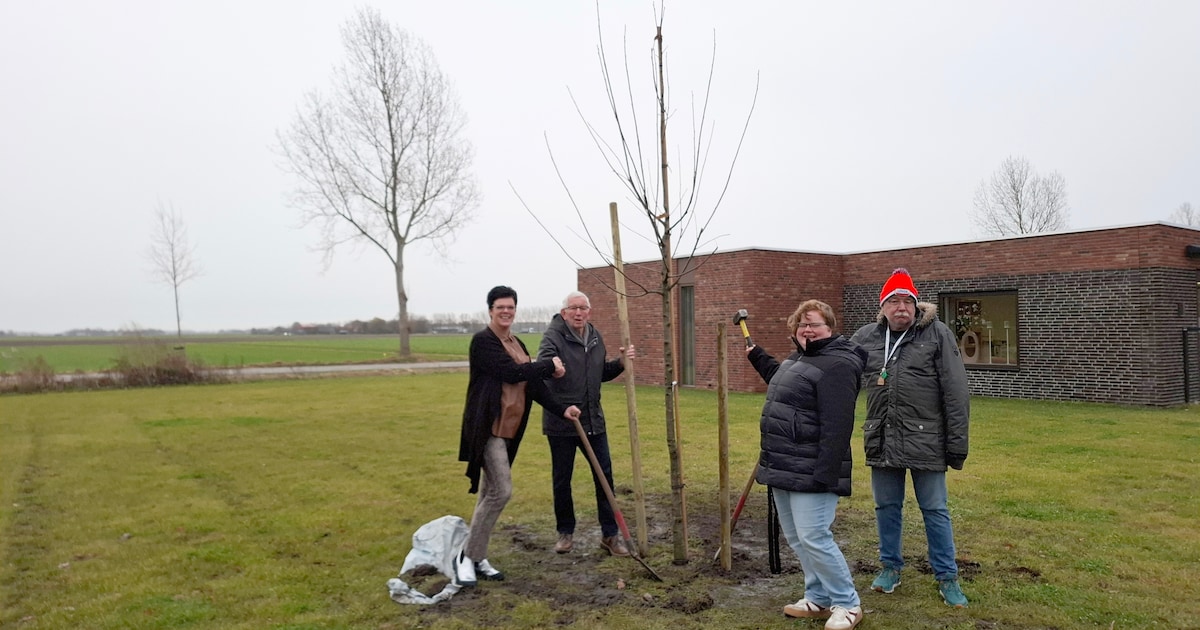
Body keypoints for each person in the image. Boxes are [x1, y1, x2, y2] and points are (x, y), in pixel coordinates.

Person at [849, 268, 971, 608]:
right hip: (882, 437)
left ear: (916, 306)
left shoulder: (937, 334)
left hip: (927, 440)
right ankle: (890, 568)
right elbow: (836, 369)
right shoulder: (867, 337)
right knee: (886, 506)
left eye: (907, 301)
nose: (901, 307)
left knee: (934, 508)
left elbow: (955, 391)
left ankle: (947, 577)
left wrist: (956, 444)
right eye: (893, 301)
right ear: (883, 306)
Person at [746, 299, 867, 630]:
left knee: (814, 536)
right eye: (802, 324)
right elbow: (783, 382)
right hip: (784, 464)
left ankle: (848, 603)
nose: (807, 330)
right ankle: (818, 596)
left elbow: (838, 424)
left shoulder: (839, 364)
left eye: (814, 324)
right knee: (798, 538)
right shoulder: (799, 359)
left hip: (813, 468)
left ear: (830, 328)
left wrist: (825, 474)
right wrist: (759, 357)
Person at [456, 285, 581, 587]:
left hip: (509, 429)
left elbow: (532, 385)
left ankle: (476, 556)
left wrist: (561, 409)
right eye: (500, 307)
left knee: (489, 492)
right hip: (487, 427)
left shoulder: (517, 342)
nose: (506, 312)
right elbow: (512, 372)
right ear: (490, 310)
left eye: (510, 307)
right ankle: (467, 557)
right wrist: (549, 366)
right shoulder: (483, 341)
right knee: (501, 491)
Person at [536, 291, 635, 557]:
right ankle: (565, 532)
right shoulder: (553, 337)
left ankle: (610, 535)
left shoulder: (594, 337)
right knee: (562, 480)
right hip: (562, 421)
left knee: (604, 478)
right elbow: (543, 366)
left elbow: (599, 374)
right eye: (574, 308)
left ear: (589, 312)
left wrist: (621, 363)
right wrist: (552, 366)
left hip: (593, 420)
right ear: (564, 312)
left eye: (583, 308)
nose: (578, 313)